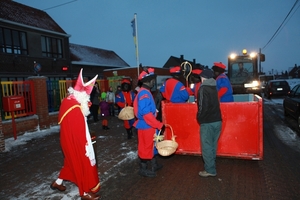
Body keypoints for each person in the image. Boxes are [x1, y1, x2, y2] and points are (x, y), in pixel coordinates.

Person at [50, 69, 100, 200]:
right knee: (79, 164)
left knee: (70, 162)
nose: (88, 101)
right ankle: (84, 192)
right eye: (87, 97)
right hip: (75, 141)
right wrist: (85, 146)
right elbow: (79, 131)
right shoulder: (76, 108)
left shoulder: (68, 101)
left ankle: (58, 182)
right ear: (82, 96)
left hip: (67, 140)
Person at [133, 67, 165, 177]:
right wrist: (159, 125)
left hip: (148, 125)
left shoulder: (145, 92)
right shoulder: (144, 94)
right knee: (145, 147)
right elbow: (146, 115)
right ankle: (143, 169)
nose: (154, 82)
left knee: (151, 145)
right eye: (153, 80)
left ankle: (154, 164)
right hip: (146, 125)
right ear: (149, 81)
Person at [197, 69, 222, 178]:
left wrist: (199, 118)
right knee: (213, 144)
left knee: (206, 146)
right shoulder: (213, 87)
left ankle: (210, 170)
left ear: (203, 78)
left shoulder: (203, 88)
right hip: (217, 120)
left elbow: (202, 106)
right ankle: (212, 164)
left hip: (208, 122)